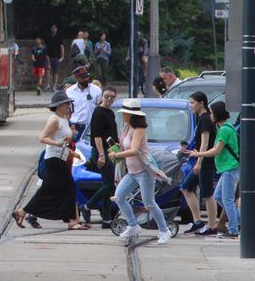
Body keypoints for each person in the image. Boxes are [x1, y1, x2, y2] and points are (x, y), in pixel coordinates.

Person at [12, 91, 87, 230]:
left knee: (51, 189)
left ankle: (22, 212)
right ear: (58, 106)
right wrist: (59, 144)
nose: (69, 106)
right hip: (53, 159)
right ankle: (73, 221)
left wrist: (69, 150)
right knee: (67, 187)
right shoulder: (54, 119)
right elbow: (42, 138)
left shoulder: (64, 119)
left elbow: (63, 139)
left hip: (61, 158)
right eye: (66, 104)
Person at [109, 99, 173, 244]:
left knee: (149, 203)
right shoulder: (126, 128)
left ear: (131, 115)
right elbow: (124, 146)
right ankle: (133, 225)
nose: (123, 116)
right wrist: (115, 149)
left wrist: (116, 155)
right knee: (119, 197)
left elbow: (134, 150)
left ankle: (164, 230)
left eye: (125, 113)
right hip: (131, 172)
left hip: (144, 172)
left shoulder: (139, 130)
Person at [185, 101, 239, 240]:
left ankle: (233, 230)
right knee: (219, 197)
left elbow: (217, 150)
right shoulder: (226, 127)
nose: (210, 115)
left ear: (218, 114)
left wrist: (198, 154)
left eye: (212, 113)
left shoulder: (225, 129)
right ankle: (239, 217)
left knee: (227, 200)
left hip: (230, 168)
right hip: (228, 168)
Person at [180, 91, 216, 235]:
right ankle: (198, 221)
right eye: (189, 102)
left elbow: (206, 142)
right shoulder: (200, 118)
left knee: (207, 194)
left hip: (205, 162)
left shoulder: (205, 119)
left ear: (201, 103)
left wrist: (199, 162)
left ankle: (212, 226)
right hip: (199, 159)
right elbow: (200, 141)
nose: (190, 106)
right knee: (186, 188)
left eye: (192, 103)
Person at [86, 86, 119, 228]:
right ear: (101, 96)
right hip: (101, 151)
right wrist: (101, 155)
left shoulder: (110, 112)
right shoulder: (99, 112)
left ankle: (106, 220)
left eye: (112, 97)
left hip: (110, 151)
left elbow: (111, 134)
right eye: (107, 96)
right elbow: (97, 136)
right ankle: (88, 206)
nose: (109, 99)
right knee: (110, 185)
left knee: (108, 185)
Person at [66, 65, 101, 144]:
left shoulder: (96, 90)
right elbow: (68, 111)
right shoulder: (70, 92)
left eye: (87, 77)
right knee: (74, 150)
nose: (86, 79)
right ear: (77, 78)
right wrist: (71, 125)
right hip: (76, 127)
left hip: (91, 126)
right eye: (82, 77)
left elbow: (100, 108)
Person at [46, 25, 64, 90]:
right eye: (52, 28)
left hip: (57, 57)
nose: (53, 29)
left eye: (54, 28)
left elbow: (61, 47)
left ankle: (54, 85)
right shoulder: (48, 37)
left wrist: (62, 56)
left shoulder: (59, 37)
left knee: (55, 72)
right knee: (48, 70)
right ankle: (48, 85)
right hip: (49, 56)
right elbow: (46, 47)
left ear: (56, 29)